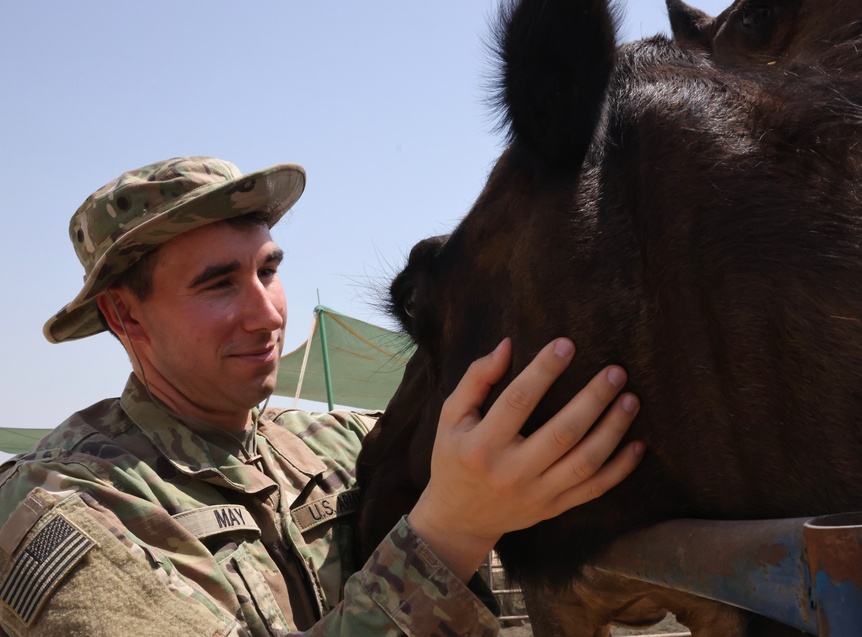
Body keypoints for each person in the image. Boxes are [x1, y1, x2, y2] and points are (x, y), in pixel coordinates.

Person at [0, 157, 644, 636]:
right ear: (125, 316)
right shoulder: (66, 507)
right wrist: (453, 528)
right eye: (218, 284)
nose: (267, 314)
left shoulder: (338, 444)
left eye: (268, 270)